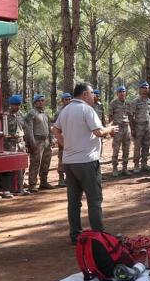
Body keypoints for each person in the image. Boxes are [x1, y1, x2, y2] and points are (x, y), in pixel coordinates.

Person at [52, 82, 118, 244]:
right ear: (84, 95)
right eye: (91, 93)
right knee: (94, 199)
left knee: (73, 201)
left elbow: (55, 129)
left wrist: (65, 144)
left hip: (69, 162)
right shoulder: (87, 110)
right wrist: (110, 129)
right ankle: (99, 236)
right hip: (86, 161)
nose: (94, 96)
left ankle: (75, 236)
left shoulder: (66, 110)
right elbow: (98, 132)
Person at [24, 94, 53, 192]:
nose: (41, 102)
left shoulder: (45, 113)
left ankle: (43, 182)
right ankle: (32, 185)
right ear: (35, 102)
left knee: (46, 162)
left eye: (43, 100)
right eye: (39, 100)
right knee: (35, 163)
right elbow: (29, 130)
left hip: (46, 141)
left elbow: (49, 128)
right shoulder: (32, 113)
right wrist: (32, 143)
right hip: (37, 141)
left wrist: (51, 139)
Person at [4, 95, 27, 194]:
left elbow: (25, 127)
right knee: (12, 167)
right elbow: (3, 131)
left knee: (22, 166)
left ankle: (21, 188)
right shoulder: (5, 116)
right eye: (16, 105)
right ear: (11, 105)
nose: (18, 107)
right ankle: (12, 188)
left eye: (19, 104)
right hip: (11, 143)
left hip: (21, 142)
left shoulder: (21, 114)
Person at [129, 82, 150, 173]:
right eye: (143, 88)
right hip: (138, 126)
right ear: (140, 89)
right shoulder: (135, 101)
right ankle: (136, 165)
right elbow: (131, 115)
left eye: (147, 88)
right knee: (137, 147)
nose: (145, 89)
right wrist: (132, 128)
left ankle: (144, 164)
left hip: (148, 127)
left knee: (146, 146)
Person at [109, 85, 131, 176]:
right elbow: (110, 117)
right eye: (120, 91)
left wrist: (132, 129)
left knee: (126, 149)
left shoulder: (128, 103)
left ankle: (124, 168)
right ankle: (115, 169)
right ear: (117, 93)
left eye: (123, 91)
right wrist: (111, 130)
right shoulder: (113, 103)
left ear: (125, 93)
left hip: (126, 127)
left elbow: (130, 116)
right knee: (116, 149)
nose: (122, 93)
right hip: (117, 128)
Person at [54, 93, 72, 187]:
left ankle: (70, 178)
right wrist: (59, 139)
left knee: (72, 158)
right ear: (62, 101)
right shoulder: (59, 113)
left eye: (69, 99)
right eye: (66, 100)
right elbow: (56, 128)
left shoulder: (74, 111)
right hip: (63, 139)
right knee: (62, 158)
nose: (68, 101)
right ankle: (61, 178)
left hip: (73, 139)